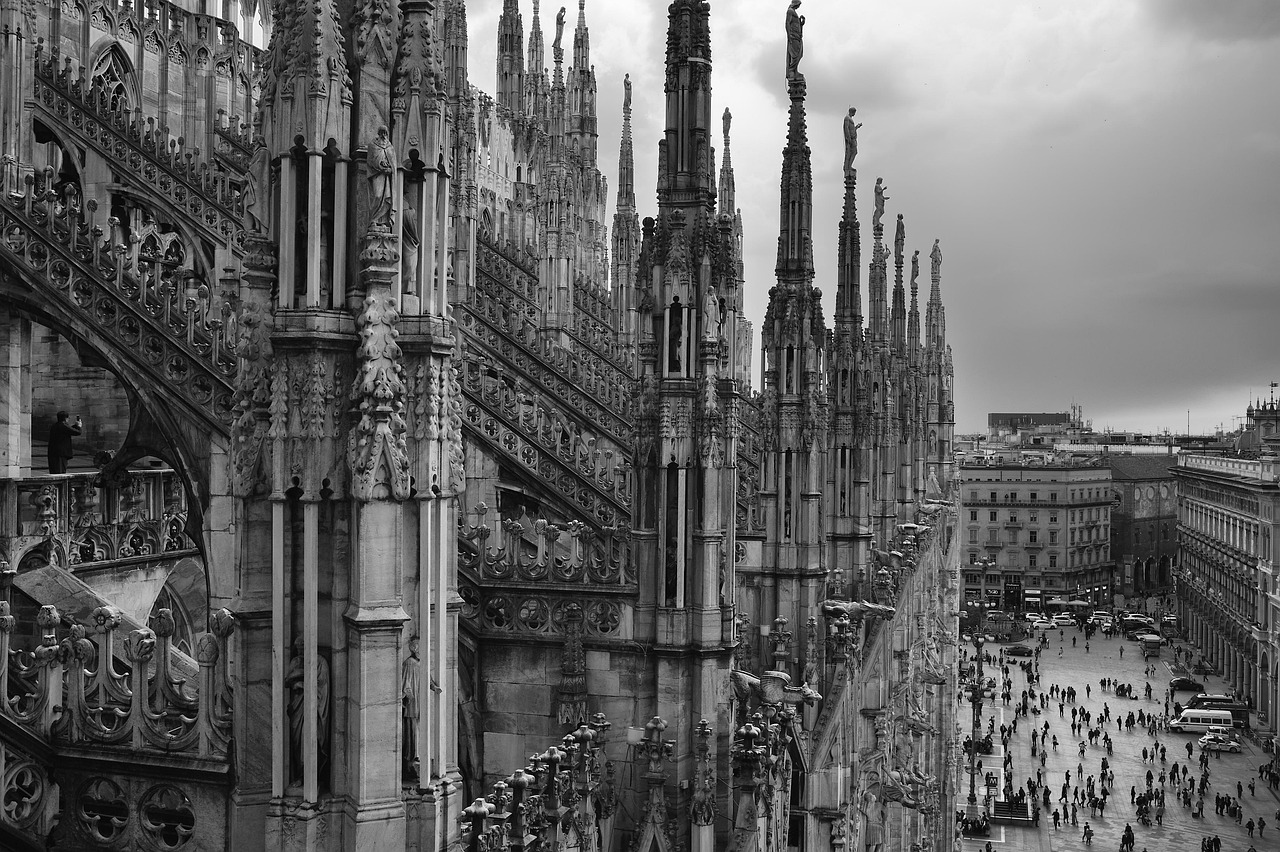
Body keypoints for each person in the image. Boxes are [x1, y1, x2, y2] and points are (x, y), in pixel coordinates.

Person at [843, 107, 862, 172]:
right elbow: (846, 128)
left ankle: (849, 165)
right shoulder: (847, 118)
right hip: (850, 139)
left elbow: (852, 129)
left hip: (853, 138)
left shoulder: (850, 118)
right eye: (854, 112)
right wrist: (848, 138)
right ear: (852, 111)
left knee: (854, 152)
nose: (854, 114)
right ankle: (848, 166)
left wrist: (857, 127)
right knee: (852, 152)